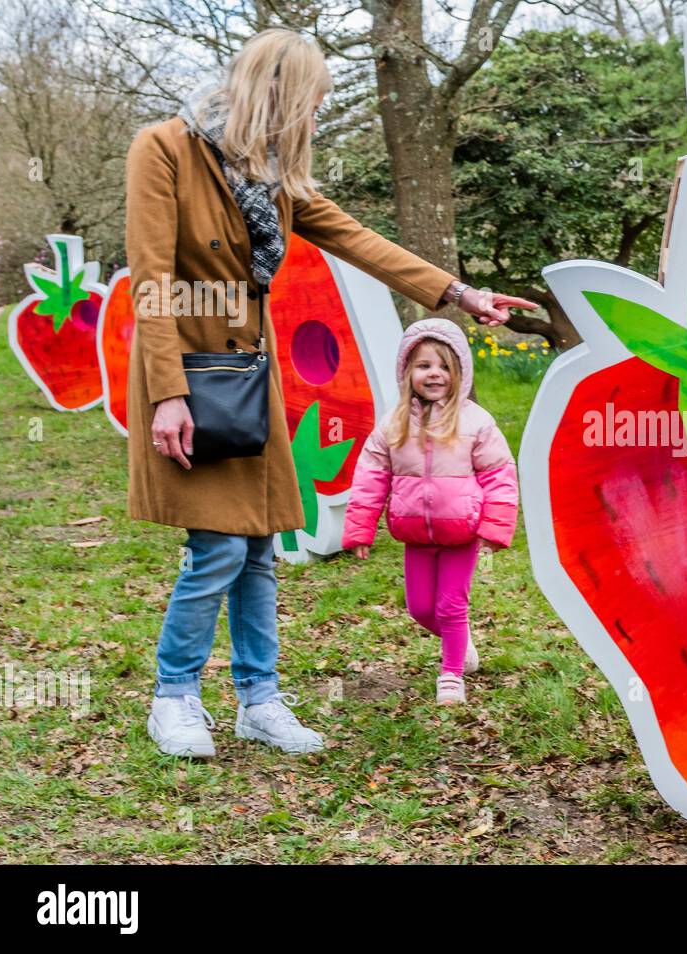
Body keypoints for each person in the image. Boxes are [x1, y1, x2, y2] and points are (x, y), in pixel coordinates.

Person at [126, 27, 537, 757]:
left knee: (256, 552)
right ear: (275, 94)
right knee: (217, 549)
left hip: (247, 383)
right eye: (311, 104)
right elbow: (152, 281)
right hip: (189, 379)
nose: (314, 121)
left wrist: (458, 294)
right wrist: (165, 394)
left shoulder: (272, 174)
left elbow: (354, 237)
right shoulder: (164, 149)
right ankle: (175, 695)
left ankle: (260, 699)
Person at [342, 320, 518, 705]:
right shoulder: (394, 423)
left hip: (461, 533)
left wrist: (495, 526)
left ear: (459, 374)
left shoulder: (475, 422)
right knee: (421, 608)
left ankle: (452, 674)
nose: (433, 373)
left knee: (451, 605)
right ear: (407, 372)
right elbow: (371, 477)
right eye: (423, 366)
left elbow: (499, 475)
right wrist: (360, 529)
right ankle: (461, 641)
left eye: (443, 366)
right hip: (415, 535)